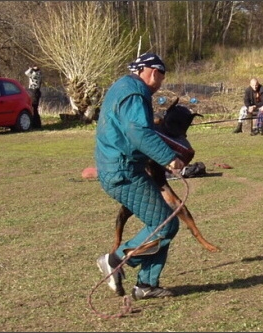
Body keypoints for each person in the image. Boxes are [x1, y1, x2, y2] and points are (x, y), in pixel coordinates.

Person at [95, 52, 185, 300]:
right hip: (123, 171)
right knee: (163, 224)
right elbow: (138, 132)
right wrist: (168, 157)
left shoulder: (124, 87)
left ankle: (146, 284)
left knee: (167, 223)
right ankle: (116, 260)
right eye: (161, 79)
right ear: (154, 72)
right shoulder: (134, 93)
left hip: (121, 167)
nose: (159, 86)